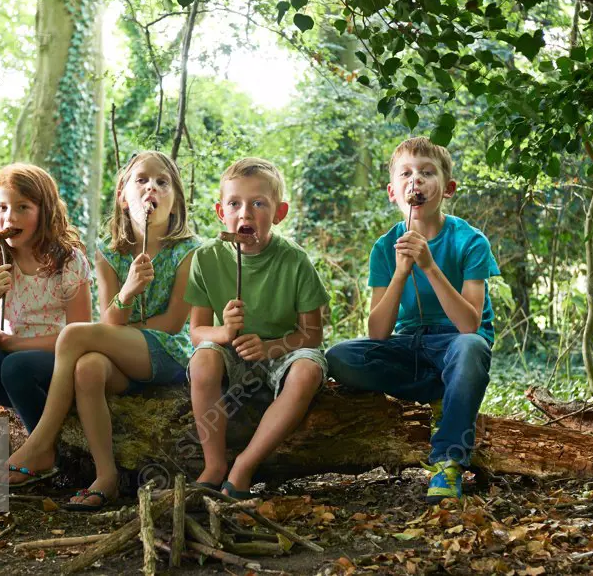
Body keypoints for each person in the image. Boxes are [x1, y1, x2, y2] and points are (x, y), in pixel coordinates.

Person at [3, 151, 200, 510]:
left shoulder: (189, 252)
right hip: (122, 360)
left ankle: (41, 442)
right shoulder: (109, 254)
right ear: (124, 197)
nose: (151, 187)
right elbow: (111, 321)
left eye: (162, 182)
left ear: (175, 204)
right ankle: (105, 477)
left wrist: (120, 331)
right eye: (141, 180)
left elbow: (172, 324)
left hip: (169, 354)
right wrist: (127, 292)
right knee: (88, 366)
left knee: (75, 334)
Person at [327, 137, 500, 504]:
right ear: (393, 192)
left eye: (426, 173)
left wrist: (429, 265)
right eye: (405, 174)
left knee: (470, 348)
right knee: (341, 356)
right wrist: (401, 272)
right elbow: (377, 333)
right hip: (409, 344)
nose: (415, 181)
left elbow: (470, 326)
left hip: (456, 343)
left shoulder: (470, 241)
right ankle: (444, 392)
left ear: (448, 188)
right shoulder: (383, 248)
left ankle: (448, 461)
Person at [187, 158, 330, 499]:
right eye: (235, 203)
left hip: (285, 351)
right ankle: (215, 464)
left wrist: (271, 348)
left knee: (308, 370)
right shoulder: (206, 258)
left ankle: (244, 466)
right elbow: (196, 331)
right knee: (203, 360)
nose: (245, 214)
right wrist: (223, 333)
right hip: (230, 351)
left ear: (279, 213)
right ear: (221, 212)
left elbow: (312, 334)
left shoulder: (294, 260)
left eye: (258, 204)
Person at [0, 163, 91, 497]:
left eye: (22, 207)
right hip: (10, 371)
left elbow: (80, 335)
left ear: (45, 212)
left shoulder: (67, 262)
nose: (9, 218)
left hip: (54, 369)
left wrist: (16, 344)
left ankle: (43, 451)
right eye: (2, 207)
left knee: (17, 364)